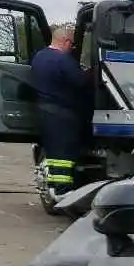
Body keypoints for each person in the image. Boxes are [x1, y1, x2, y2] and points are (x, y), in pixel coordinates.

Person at [29, 24, 90, 196]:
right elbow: (81, 82)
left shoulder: (38, 57)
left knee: (54, 152)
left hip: (44, 111)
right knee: (64, 155)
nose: (72, 48)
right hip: (61, 113)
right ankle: (63, 191)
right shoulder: (63, 60)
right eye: (72, 44)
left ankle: (54, 187)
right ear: (65, 41)